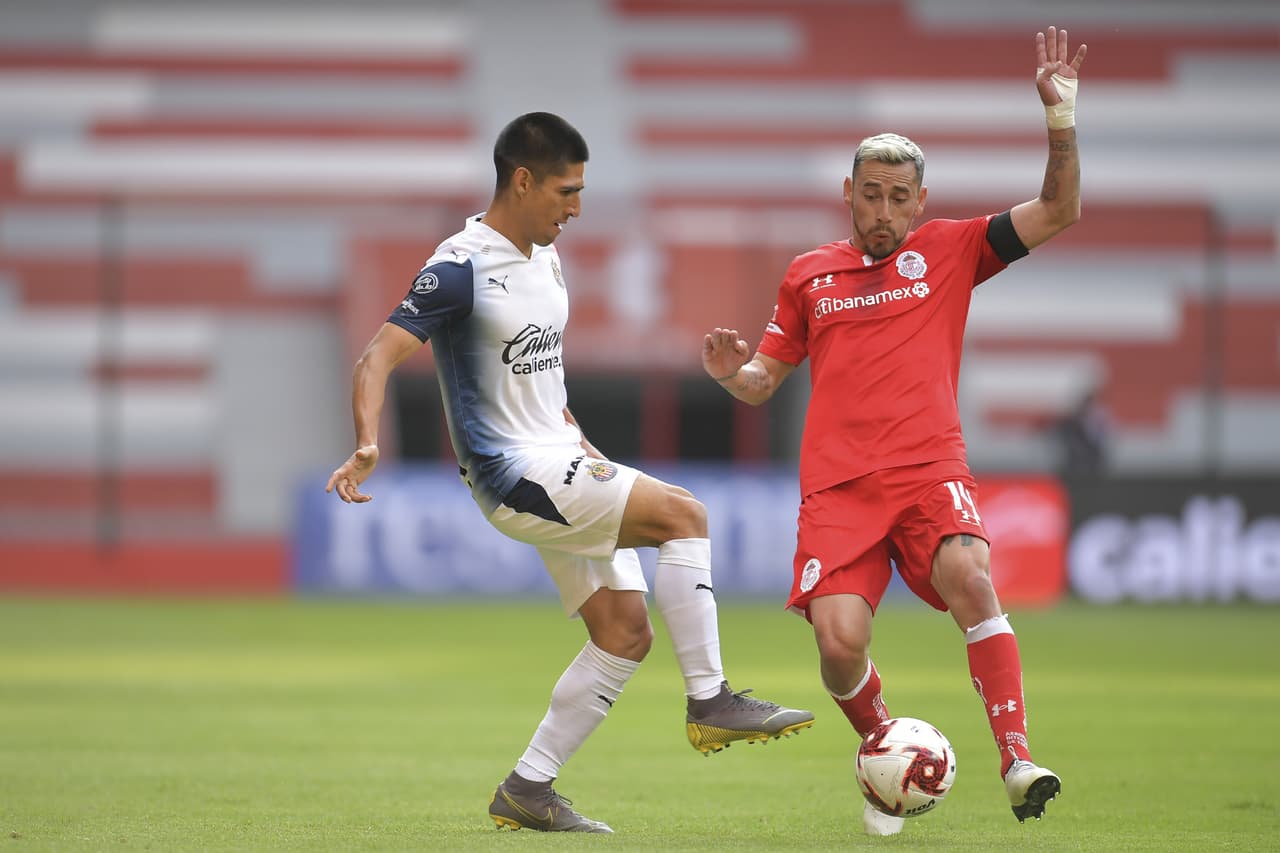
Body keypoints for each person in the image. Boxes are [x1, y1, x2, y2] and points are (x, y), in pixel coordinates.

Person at [326, 111, 813, 834]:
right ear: (521, 181)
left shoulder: (544, 255)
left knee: (624, 632)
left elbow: (540, 379)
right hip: (513, 474)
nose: (576, 208)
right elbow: (376, 356)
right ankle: (710, 701)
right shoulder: (460, 266)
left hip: (561, 456)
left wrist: (580, 442)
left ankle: (528, 787)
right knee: (686, 515)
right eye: (566, 190)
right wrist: (369, 440)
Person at [701, 27, 1086, 837]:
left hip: (926, 470)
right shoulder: (810, 273)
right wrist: (730, 371)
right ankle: (887, 760)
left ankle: (1017, 757)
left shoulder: (955, 249)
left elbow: (1059, 209)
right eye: (869, 194)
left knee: (973, 576)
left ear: (920, 199)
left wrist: (1061, 120)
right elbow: (763, 382)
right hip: (839, 488)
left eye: (898, 197)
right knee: (839, 646)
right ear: (848, 192)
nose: (883, 211)